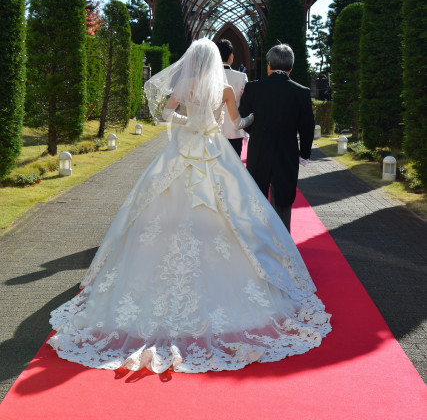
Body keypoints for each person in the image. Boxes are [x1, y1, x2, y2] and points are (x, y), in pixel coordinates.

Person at [48, 38, 330, 374]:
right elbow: (238, 125)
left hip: (183, 149)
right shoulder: (225, 89)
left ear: (191, 60)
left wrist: (187, 122)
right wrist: (248, 118)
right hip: (213, 149)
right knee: (227, 206)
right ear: (215, 60)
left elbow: (165, 114)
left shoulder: (185, 85)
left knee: (161, 203)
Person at [239, 43, 315, 233]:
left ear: (269, 65)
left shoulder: (253, 88)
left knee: (257, 199)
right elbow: (307, 128)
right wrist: (304, 154)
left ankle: (257, 243)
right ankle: (282, 247)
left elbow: (243, 118)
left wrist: (257, 132)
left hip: (259, 151)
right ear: (291, 67)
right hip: (287, 153)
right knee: (282, 202)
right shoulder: (301, 92)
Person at [215, 38, 248, 157]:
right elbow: (246, 103)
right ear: (230, 56)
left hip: (213, 132)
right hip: (235, 130)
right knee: (234, 169)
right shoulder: (241, 77)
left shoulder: (208, 78)